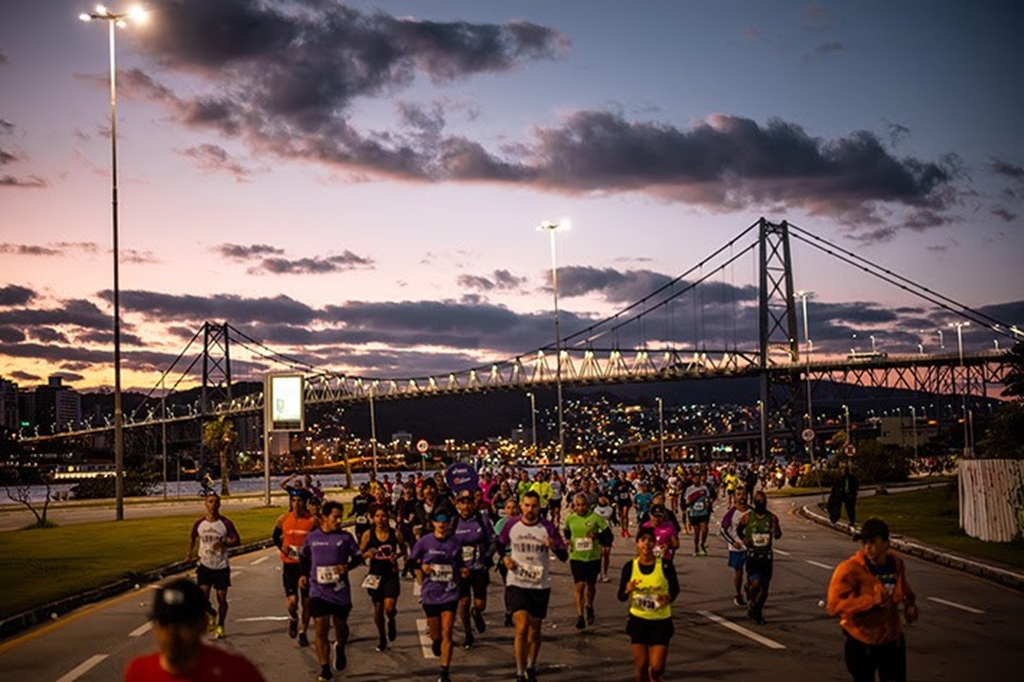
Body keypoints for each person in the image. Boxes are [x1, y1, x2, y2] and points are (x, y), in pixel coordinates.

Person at [827, 518, 919, 682]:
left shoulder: (896, 563)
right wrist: (871, 600)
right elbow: (834, 606)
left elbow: (903, 588)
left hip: (892, 639)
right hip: (862, 640)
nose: (867, 547)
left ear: (886, 543)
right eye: (864, 543)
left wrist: (910, 603)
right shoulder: (850, 569)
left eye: (872, 542)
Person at [124, 578, 265, 682]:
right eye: (164, 623)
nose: (172, 633)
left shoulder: (236, 672)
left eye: (183, 624)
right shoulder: (139, 673)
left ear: (202, 625)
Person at [496, 490, 569, 682]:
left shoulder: (548, 527)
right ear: (521, 506)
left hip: (539, 584)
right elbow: (498, 543)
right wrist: (505, 558)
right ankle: (520, 672)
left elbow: (563, 556)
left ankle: (531, 666)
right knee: (521, 626)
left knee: (535, 630)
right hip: (516, 582)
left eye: (534, 506)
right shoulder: (512, 524)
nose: (530, 509)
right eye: (527, 505)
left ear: (539, 507)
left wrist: (553, 545)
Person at [299, 501, 364, 682]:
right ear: (324, 517)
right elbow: (304, 557)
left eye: (340, 517)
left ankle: (340, 646)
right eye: (335, 517)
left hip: (339, 591)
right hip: (317, 590)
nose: (339, 520)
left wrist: (347, 566)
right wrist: (303, 575)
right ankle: (325, 669)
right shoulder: (313, 537)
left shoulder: (346, 538)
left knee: (340, 626)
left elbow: (358, 557)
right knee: (321, 627)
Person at [409, 510, 466, 682]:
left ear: (449, 524)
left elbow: (460, 563)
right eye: (438, 521)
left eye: (445, 521)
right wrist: (422, 565)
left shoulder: (455, 543)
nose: (442, 524)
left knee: (447, 631)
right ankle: (435, 641)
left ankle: (444, 672)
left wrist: (463, 570)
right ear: (433, 523)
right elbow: (411, 561)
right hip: (431, 593)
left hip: (450, 591)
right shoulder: (424, 542)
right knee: (437, 634)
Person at [617, 527, 679, 682]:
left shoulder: (665, 566)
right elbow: (621, 596)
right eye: (643, 540)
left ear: (655, 544)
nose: (647, 544)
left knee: (657, 668)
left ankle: (657, 676)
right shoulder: (630, 567)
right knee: (642, 665)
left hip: (661, 621)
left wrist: (668, 598)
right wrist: (627, 589)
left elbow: (675, 589)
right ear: (637, 543)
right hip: (638, 620)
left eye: (650, 540)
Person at [185, 493, 240, 639]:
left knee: (221, 599)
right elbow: (192, 537)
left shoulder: (225, 523)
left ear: (219, 504)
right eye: (210, 502)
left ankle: (221, 624)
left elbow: (236, 540)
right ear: (205, 504)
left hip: (221, 565)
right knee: (202, 597)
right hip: (205, 565)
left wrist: (223, 543)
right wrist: (189, 553)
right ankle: (211, 613)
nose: (213, 505)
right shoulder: (199, 524)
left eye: (216, 502)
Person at [451, 488, 496, 648]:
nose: (466, 507)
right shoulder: (454, 522)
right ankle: (468, 633)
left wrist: (489, 556)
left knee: (479, 604)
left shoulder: (482, 520)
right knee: (463, 602)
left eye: (469, 502)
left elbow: (493, 540)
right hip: (461, 569)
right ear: (457, 505)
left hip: (479, 568)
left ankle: (476, 613)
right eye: (462, 503)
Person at [359, 504, 407, 652]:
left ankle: (391, 620)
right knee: (378, 609)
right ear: (372, 518)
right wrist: (367, 554)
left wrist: (397, 556)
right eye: (377, 516)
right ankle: (382, 637)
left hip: (390, 574)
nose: (380, 519)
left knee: (389, 607)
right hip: (375, 574)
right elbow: (358, 554)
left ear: (388, 517)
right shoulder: (368, 534)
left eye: (383, 516)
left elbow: (404, 550)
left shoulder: (395, 533)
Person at [273, 489, 317, 646]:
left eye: (299, 501)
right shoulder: (284, 518)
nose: (296, 504)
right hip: (290, 565)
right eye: (294, 500)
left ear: (304, 503)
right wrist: (282, 547)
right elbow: (274, 536)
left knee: (307, 603)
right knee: (292, 602)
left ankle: (303, 632)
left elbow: (320, 538)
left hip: (306, 567)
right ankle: (293, 618)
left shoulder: (312, 521)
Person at [564, 492, 613, 629]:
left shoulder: (596, 518)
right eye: (578, 505)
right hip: (577, 558)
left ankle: (589, 605)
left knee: (590, 587)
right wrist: (568, 541)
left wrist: (596, 536)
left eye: (583, 505)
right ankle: (580, 616)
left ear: (588, 505)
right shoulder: (570, 519)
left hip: (592, 557)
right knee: (579, 586)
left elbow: (608, 536)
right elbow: (567, 531)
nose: (581, 507)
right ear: (574, 506)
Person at [737, 490, 782, 625]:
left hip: (766, 557)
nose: (760, 504)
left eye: (763, 502)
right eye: (758, 502)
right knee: (756, 584)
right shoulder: (747, 517)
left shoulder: (772, 518)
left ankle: (757, 611)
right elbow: (739, 530)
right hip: (753, 556)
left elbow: (778, 535)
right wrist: (744, 539)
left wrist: (776, 532)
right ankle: (751, 594)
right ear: (754, 503)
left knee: (765, 587)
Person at [493, 497, 521, 627]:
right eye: (508, 508)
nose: (512, 510)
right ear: (505, 510)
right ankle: (509, 611)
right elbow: (498, 544)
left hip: (522, 559)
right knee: (509, 586)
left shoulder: (524, 522)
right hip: (507, 558)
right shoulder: (501, 523)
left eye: (514, 507)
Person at [719, 489, 750, 606]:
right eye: (738, 494)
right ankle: (738, 594)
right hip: (737, 547)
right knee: (739, 573)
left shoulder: (751, 511)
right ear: (735, 497)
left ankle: (749, 588)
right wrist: (732, 542)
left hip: (750, 547)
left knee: (752, 572)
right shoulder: (731, 513)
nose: (741, 497)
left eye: (744, 494)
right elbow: (723, 530)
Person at [684, 473, 713, 556]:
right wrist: (689, 502)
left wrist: (708, 503)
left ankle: (702, 545)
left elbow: (708, 498)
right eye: (695, 478)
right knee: (696, 533)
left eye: (698, 478)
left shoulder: (704, 488)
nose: (697, 480)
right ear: (692, 480)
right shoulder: (689, 489)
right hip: (694, 513)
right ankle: (696, 547)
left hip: (703, 512)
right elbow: (687, 501)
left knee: (704, 530)